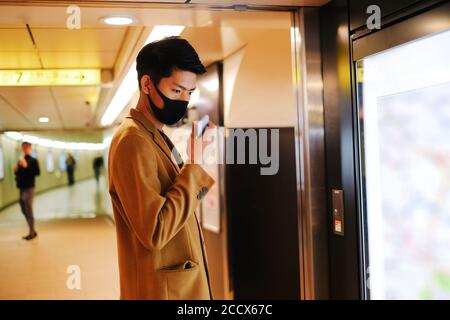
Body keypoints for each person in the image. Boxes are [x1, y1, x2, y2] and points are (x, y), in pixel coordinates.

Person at [108, 37, 215, 300]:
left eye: (189, 93)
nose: (183, 101)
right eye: (177, 90)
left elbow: (180, 205)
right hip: (163, 291)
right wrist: (194, 165)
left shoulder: (154, 135)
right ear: (147, 84)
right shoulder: (133, 140)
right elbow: (154, 232)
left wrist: (195, 170)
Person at [14, 142, 40, 240]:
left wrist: (26, 167)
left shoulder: (33, 161)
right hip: (22, 187)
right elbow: (19, 174)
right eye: (23, 148)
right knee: (23, 208)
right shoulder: (21, 160)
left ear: (30, 148)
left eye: (26, 148)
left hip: (30, 187)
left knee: (28, 208)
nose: (25, 149)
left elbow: (37, 172)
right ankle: (32, 229)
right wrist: (16, 170)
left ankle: (31, 232)